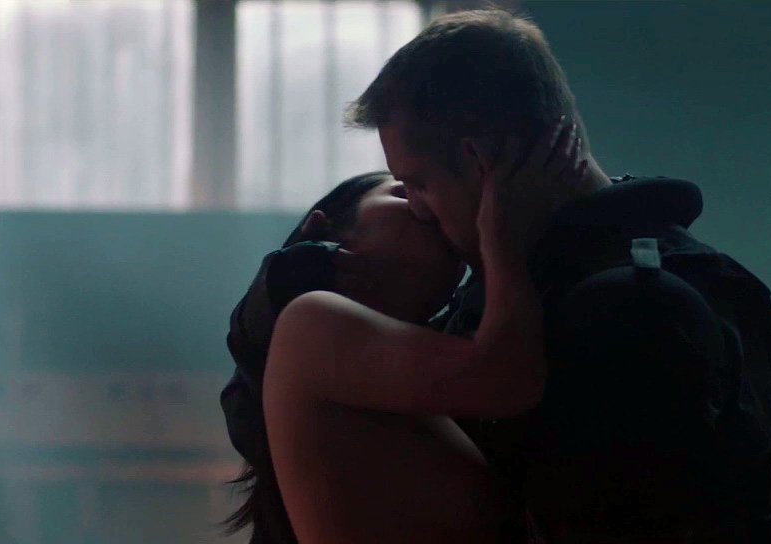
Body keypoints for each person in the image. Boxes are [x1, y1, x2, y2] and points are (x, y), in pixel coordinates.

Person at [343, 9, 771, 543]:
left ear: (479, 161)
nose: (417, 210)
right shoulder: (678, 271)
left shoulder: (621, 312)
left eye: (419, 184)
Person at [220, 124, 588, 543]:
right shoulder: (308, 322)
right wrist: (503, 239)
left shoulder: (434, 366)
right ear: (327, 231)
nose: (427, 207)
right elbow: (510, 379)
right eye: (404, 191)